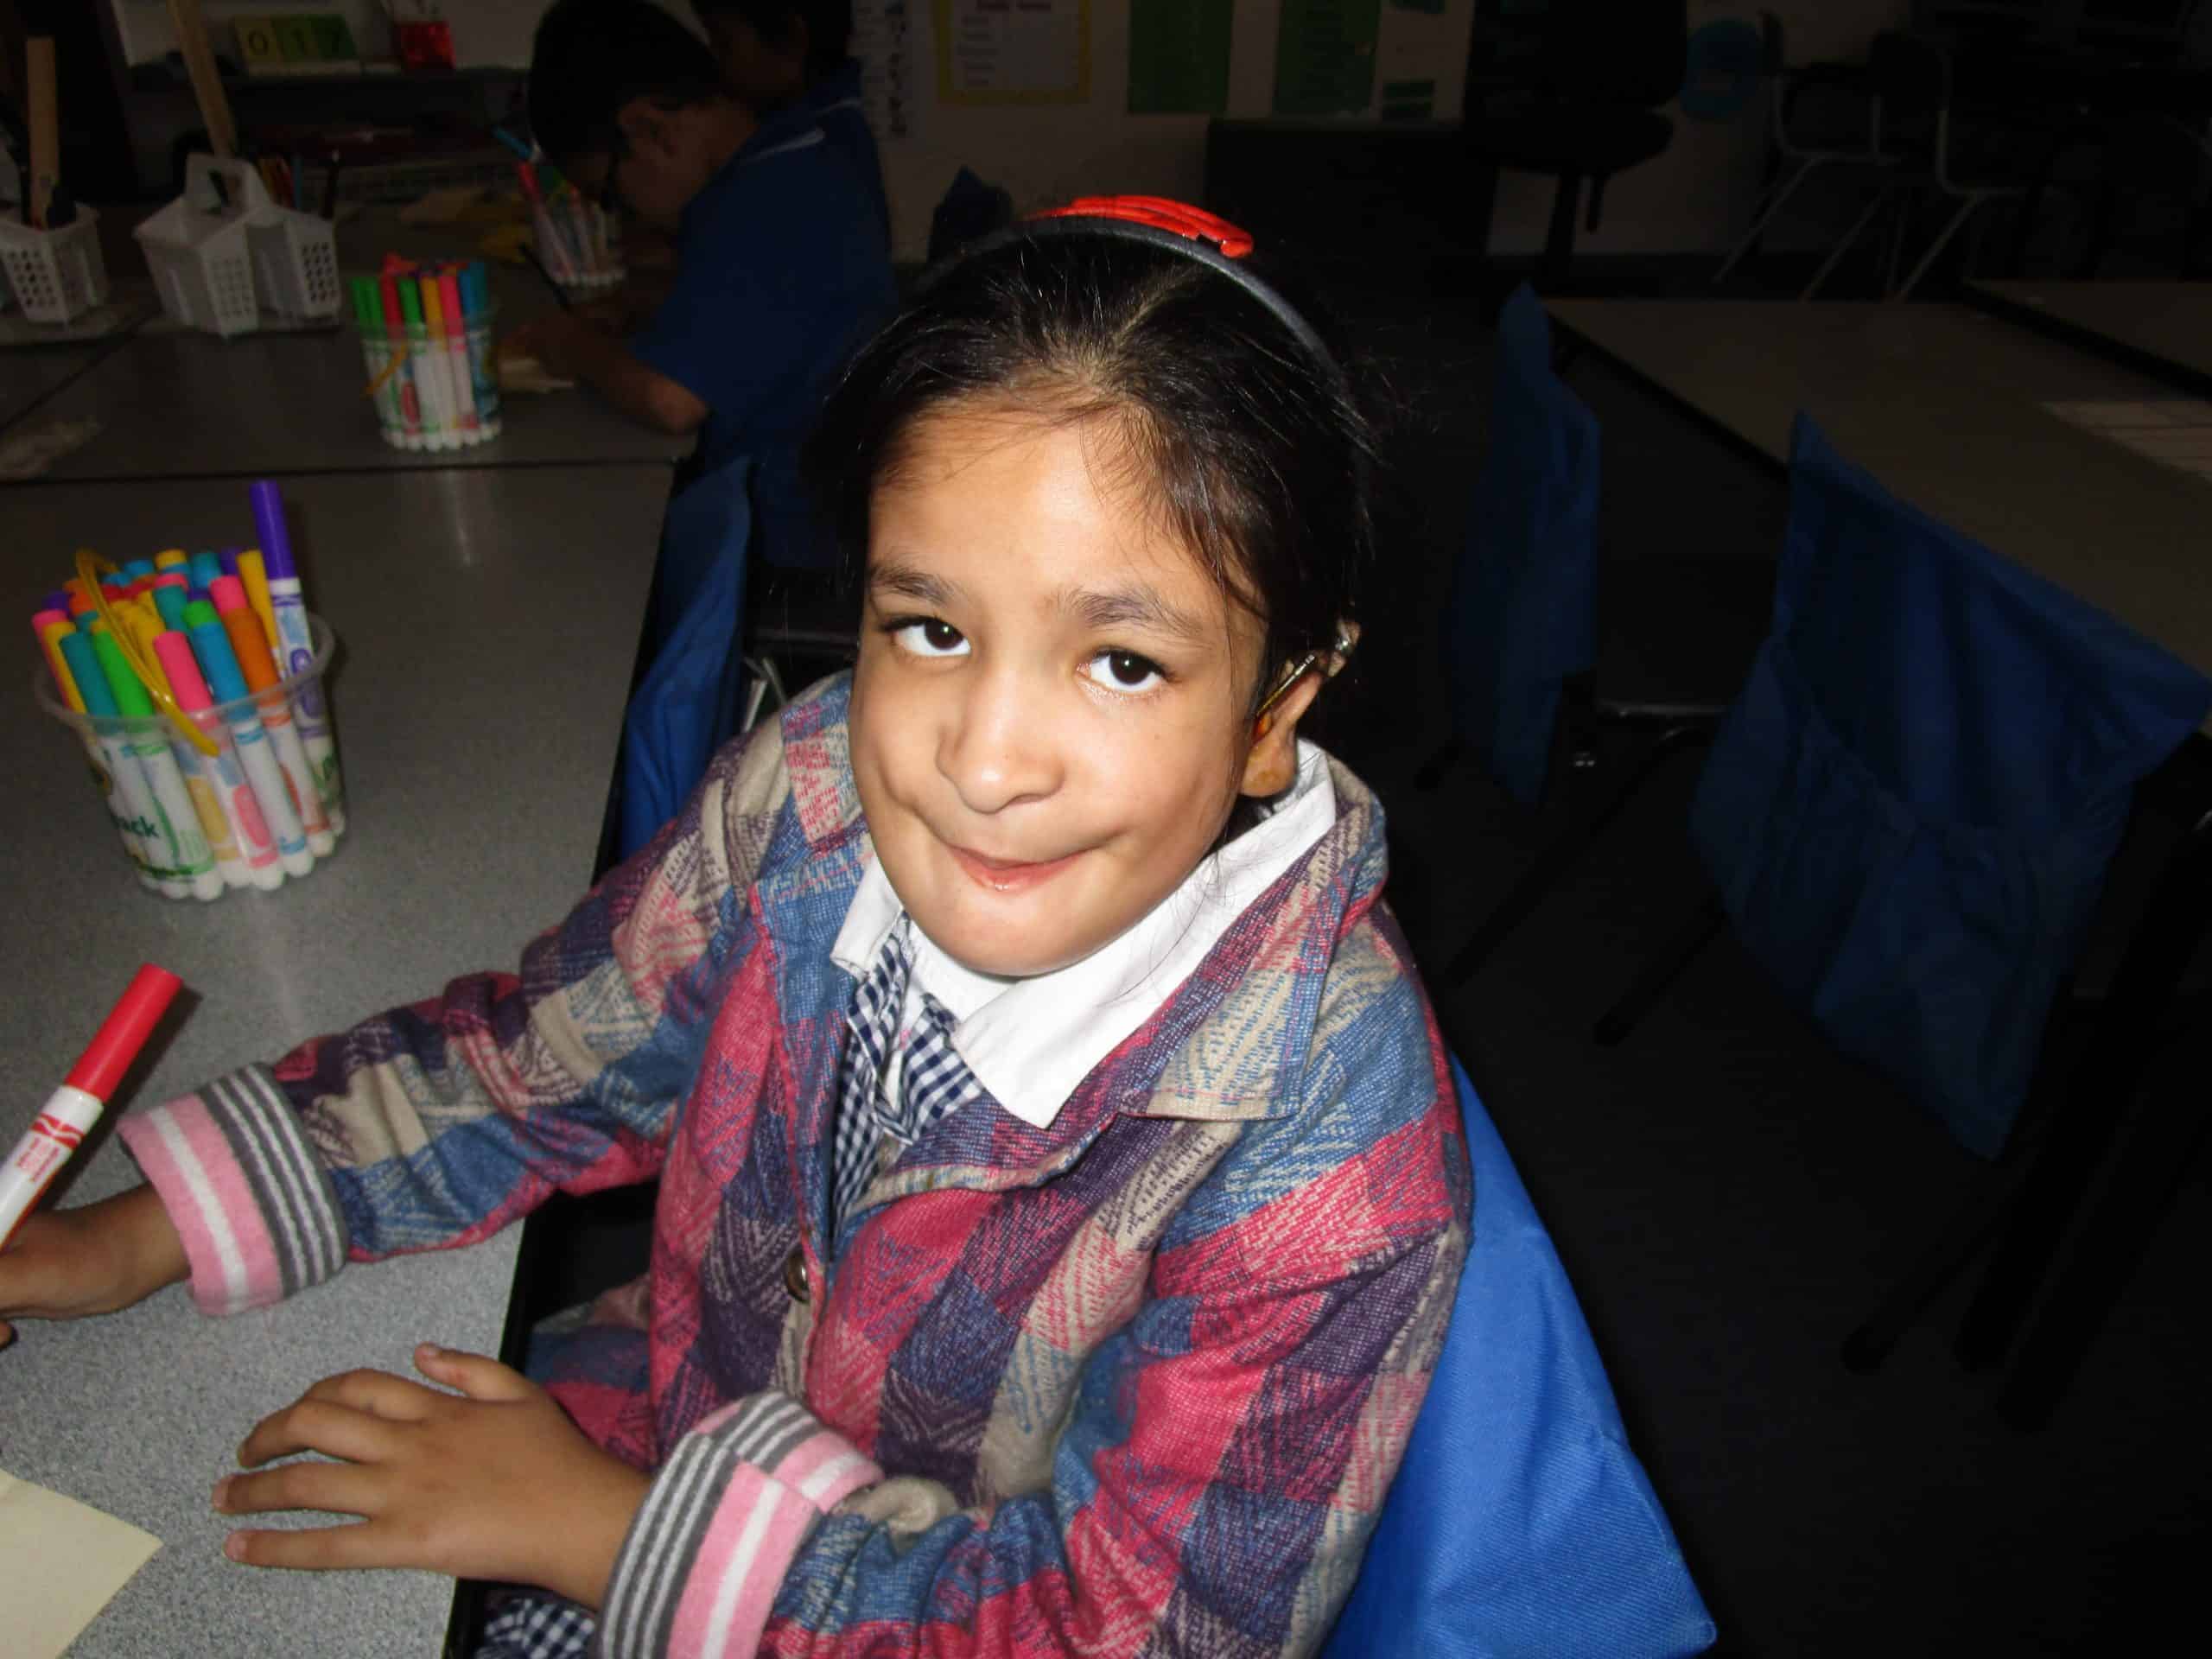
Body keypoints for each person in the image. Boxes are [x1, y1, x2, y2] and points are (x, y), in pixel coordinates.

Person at [0, 198, 1469, 1659]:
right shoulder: (819, 791)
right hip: (685, 1408)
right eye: (931, 628)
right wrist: (143, 1234)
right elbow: (552, 1058)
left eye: (1125, 663)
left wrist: (603, 1537)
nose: (984, 760)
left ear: (1280, 703)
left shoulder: (1325, 1140)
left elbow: (1140, 1636)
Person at [512, 0, 895, 569]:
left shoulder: (767, 200)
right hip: (828, 504)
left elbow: (672, 402)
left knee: (561, 545)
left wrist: (570, 345)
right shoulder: (798, 149)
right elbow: (764, 307)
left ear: (648, 129)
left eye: (611, 196)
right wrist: (642, 307)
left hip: (787, 542)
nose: (625, 218)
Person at [692, 2, 892, 240]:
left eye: (725, 45)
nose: (716, 64)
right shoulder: (836, 134)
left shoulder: (822, 149)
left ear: (790, 42)